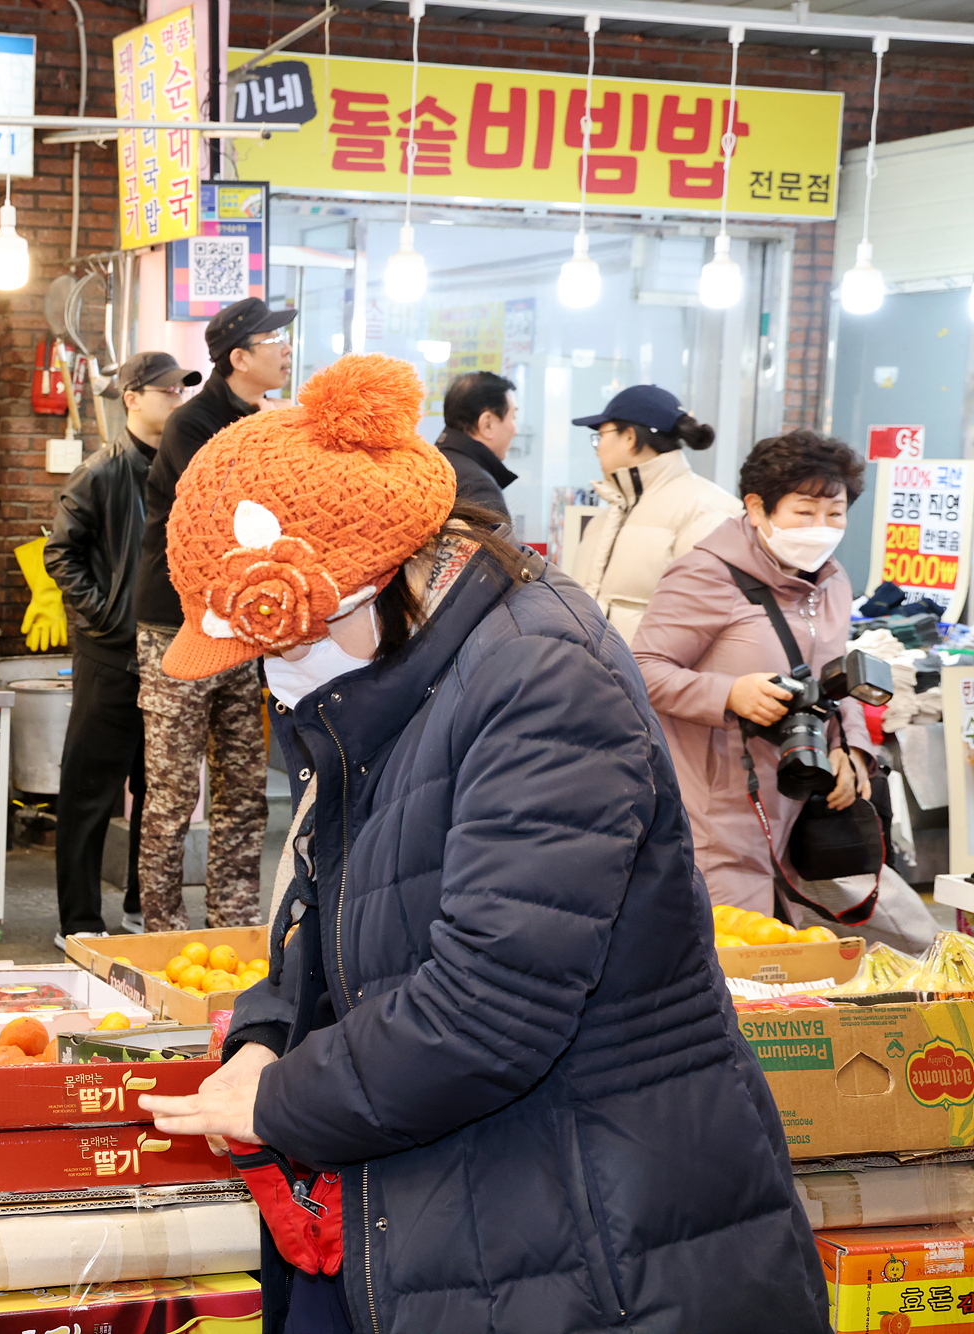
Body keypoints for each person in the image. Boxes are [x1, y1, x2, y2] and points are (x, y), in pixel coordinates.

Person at [136, 354, 826, 1334]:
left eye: (274, 646)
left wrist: (281, 1099)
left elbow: (491, 1005)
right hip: (458, 1194)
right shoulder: (388, 688)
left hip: (593, 1232)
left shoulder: (540, 679)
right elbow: (332, 910)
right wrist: (265, 1032)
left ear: (368, 587)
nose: (271, 681)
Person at [631, 429, 873, 914]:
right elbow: (640, 668)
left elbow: (837, 676)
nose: (821, 527)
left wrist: (852, 749)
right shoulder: (705, 574)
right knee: (734, 956)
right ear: (758, 508)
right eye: (803, 512)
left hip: (801, 800)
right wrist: (728, 694)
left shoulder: (833, 581)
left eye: (835, 513)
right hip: (716, 808)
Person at [131, 297, 294, 932]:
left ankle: (235, 926)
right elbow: (232, 512)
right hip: (178, 627)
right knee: (172, 795)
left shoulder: (271, 421)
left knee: (244, 792)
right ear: (239, 357)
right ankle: (163, 932)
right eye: (271, 338)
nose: (284, 348)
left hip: (242, 630)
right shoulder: (192, 425)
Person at [46, 352, 198, 939]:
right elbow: (60, 552)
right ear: (131, 397)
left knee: (159, 791)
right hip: (111, 659)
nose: (176, 401)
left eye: (181, 392)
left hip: (171, 657)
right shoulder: (101, 471)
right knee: (89, 794)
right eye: (166, 391)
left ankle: (141, 906)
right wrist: (109, 618)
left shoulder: (182, 467)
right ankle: (78, 922)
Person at [567, 384, 738, 641]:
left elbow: (702, 621)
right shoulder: (607, 517)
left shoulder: (708, 509)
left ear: (629, 437)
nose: (598, 448)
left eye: (600, 436)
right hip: (594, 675)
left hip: (651, 679)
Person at [433, 369, 518, 519]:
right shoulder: (477, 487)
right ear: (487, 424)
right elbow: (495, 543)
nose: (515, 430)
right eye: (513, 417)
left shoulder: (432, 465)